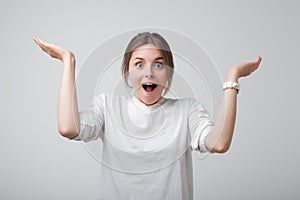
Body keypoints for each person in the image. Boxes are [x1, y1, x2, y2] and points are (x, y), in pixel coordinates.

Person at [33, 32, 262, 200]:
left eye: (159, 65)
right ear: (127, 72)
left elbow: (219, 143)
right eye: (139, 64)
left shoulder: (187, 110)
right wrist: (68, 62)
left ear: (169, 71)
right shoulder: (108, 106)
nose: (149, 73)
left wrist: (232, 80)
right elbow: (68, 128)